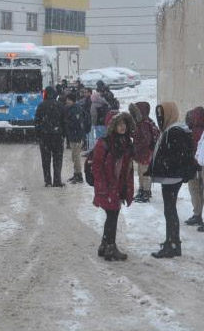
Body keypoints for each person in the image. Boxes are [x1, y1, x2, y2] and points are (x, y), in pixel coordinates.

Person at [147, 102, 196, 258]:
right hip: (170, 176)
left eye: (162, 115)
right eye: (158, 115)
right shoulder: (171, 130)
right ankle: (172, 241)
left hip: (171, 178)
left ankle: (173, 244)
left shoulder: (174, 132)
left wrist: (164, 167)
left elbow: (177, 156)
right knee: (169, 210)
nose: (160, 118)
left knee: (170, 210)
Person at [92, 112, 136, 261]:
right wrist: (103, 186)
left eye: (124, 123)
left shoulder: (125, 142)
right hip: (108, 187)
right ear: (112, 126)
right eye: (119, 124)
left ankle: (104, 245)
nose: (122, 127)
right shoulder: (104, 143)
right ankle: (110, 248)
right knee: (112, 215)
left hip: (118, 186)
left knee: (112, 215)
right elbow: (96, 168)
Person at [35, 86, 66, 187]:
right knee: (57, 158)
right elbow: (64, 121)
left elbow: (36, 121)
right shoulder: (60, 105)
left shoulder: (41, 105)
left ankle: (47, 181)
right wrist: (64, 134)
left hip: (45, 136)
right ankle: (57, 180)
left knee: (46, 159)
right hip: (57, 136)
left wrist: (38, 134)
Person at [130, 102, 160, 203]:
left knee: (145, 173)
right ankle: (142, 190)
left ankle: (146, 192)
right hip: (142, 153)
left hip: (145, 153)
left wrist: (137, 145)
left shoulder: (144, 124)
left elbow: (146, 140)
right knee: (141, 172)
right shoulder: (142, 122)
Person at [183, 106, 204, 226]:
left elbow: (188, 149)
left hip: (193, 165)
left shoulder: (191, 131)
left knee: (194, 190)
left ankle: (197, 214)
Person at [64, 93, 86, 184]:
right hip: (73, 136)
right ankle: (76, 173)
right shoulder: (71, 109)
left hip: (77, 136)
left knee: (76, 156)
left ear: (73, 100)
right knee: (74, 156)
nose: (67, 101)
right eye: (67, 99)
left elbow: (77, 124)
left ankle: (79, 175)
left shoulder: (76, 109)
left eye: (69, 100)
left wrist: (67, 122)